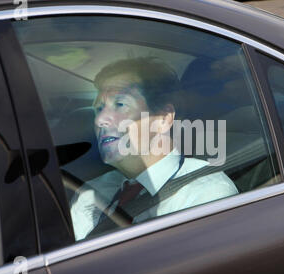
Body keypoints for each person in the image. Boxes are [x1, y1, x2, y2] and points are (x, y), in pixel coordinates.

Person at [70, 57, 238, 240]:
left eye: (119, 105)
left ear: (163, 118)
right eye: (99, 109)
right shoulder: (92, 192)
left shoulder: (205, 194)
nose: (99, 120)